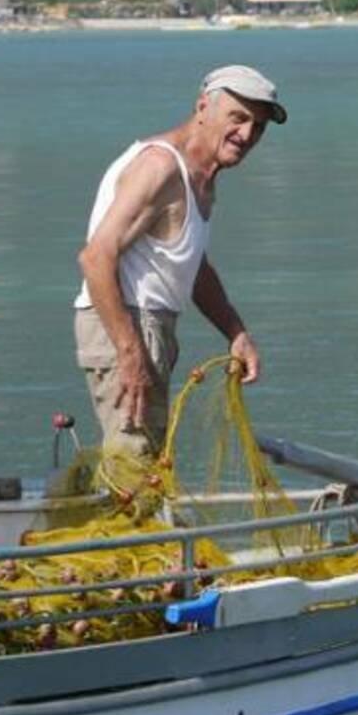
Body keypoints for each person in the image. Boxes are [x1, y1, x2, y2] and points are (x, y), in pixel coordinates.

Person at [74, 64, 286, 457]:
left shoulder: (201, 177)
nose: (247, 135)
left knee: (149, 458)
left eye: (258, 127)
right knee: (134, 463)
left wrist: (236, 332)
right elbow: (95, 257)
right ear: (203, 106)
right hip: (126, 322)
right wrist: (129, 350)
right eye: (238, 118)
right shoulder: (161, 167)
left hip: (151, 325)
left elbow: (191, 264)